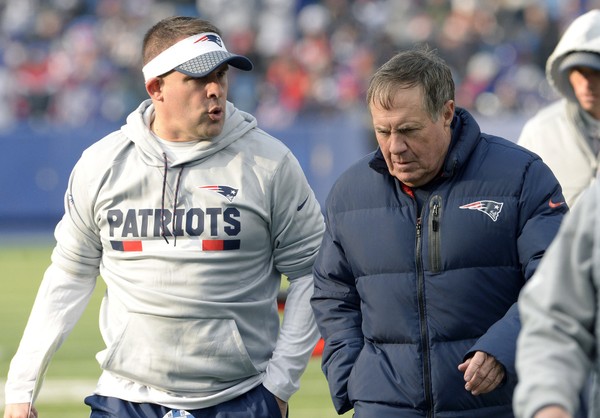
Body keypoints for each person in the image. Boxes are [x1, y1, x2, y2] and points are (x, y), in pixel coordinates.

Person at [3, 16, 324, 418]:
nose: (216, 90)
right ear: (156, 87)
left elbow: (313, 272)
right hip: (125, 399)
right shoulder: (102, 165)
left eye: (221, 75)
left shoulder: (269, 163)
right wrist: (21, 387)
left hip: (239, 400)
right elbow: (68, 275)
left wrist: (279, 386)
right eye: (198, 77)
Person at [310, 47, 567, 417]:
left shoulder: (522, 176)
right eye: (382, 131)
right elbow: (332, 292)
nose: (395, 147)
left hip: (496, 405)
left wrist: (505, 348)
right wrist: (353, 376)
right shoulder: (350, 192)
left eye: (409, 130)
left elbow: (556, 278)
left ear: (446, 113)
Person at [513, 179, 600, 418]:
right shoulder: (596, 206)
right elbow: (554, 317)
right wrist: (548, 402)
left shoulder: (526, 175)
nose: (397, 149)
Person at [518, 9, 600, 208]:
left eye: (595, 71)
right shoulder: (541, 131)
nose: (585, 83)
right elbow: (517, 205)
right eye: (578, 71)